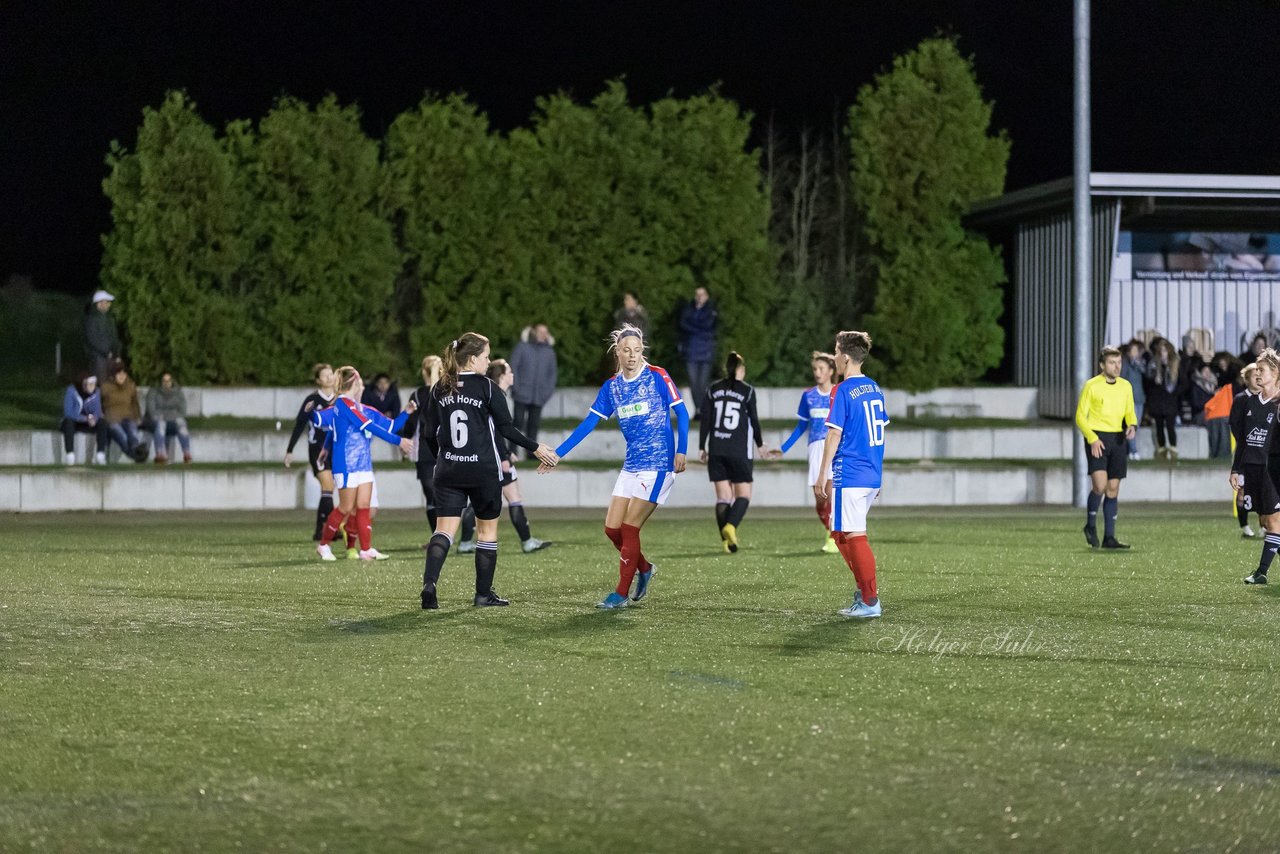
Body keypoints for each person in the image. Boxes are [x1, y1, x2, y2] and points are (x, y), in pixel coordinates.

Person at [547, 323, 689, 609]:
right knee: (612, 530)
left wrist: (682, 450)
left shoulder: (657, 376)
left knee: (629, 528)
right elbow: (589, 423)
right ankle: (645, 568)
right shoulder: (612, 388)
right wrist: (558, 453)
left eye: (637, 350)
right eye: (627, 350)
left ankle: (621, 594)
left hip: (658, 464)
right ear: (618, 353)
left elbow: (682, 413)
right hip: (632, 465)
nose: (633, 355)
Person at [418, 334, 559, 609]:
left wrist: (442, 459)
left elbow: (427, 433)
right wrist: (536, 447)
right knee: (487, 532)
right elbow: (506, 429)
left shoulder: (439, 388)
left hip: (449, 470)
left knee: (444, 530)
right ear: (472, 359)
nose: (488, 361)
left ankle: (430, 583)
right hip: (482, 470)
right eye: (486, 356)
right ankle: (483, 595)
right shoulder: (488, 387)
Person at [816, 330, 889, 619]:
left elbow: (833, 434)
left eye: (835, 352)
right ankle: (864, 592)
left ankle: (870, 600)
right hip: (869, 473)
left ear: (845, 357)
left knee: (854, 535)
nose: (834, 357)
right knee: (840, 533)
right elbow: (880, 434)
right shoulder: (875, 388)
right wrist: (878, 473)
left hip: (850, 472)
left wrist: (823, 474)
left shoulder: (843, 390)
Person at [312, 367, 415, 561]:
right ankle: (323, 545)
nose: (363, 385)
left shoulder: (361, 407)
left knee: (364, 506)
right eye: (360, 381)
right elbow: (367, 426)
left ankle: (366, 549)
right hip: (346, 465)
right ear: (355, 383)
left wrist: (406, 413)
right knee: (344, 507)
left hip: (363, 464)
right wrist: (398, 441)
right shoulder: (343, 405)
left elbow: (390, 425)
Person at [453, 359, 552, 554]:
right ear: (501, 376)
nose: (513, 374)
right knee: (513, 498)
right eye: (509, 371)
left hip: (487, 456)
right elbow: (497, 430)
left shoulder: (487, 392)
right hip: (495, 459)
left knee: (480, 500)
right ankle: (527, 541)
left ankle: (465, 542)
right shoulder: (492, 393)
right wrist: (505, 455)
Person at [699, 351, 771, 553]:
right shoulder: (747, 391)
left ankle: (726, 542)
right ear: (740, 370)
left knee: (723, 498)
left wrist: (701, 447)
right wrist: (760, 444)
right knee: (744, 495)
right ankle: (730, 526)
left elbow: (705, 419)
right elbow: (754, 421)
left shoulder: (712, 389)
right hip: (739, 449)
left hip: (716, 448)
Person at [1076, 346, 1138, 550]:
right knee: (1100, 485)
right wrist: (1092, 438)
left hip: (1117, 438)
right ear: (1102, 365)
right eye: (1112, 363)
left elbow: (1130, 411)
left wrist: (1131, 425)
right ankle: (1090, 525)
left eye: (1119, 362)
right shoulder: (1092, 386)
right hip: (1098, 437)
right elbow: (1079, 417)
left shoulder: (1125, 386)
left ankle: (1109, 537)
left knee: (1113, 488)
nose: (1117, 366)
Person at [779, 351, 840, 553]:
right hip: (815, 449)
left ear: (831, 371)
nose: (817, 372)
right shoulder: (808, 395)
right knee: (820, 500)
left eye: (821, 368)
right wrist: (783, 449)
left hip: (835, 447)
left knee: (831, 495)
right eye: (815, 369)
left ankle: (832, 537)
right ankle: (830, 530)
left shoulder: (838, 393)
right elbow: (801, 426)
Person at [1230, 350, 1280, 584]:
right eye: (1256, 371)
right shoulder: (1249, 402)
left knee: (1272, 522)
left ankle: (1261, 572)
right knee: (1263, 521)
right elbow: (1242, 439)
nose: (1257, 374)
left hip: (1272, 468)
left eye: (1262, 370)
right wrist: (1235, 469)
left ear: (1275, 373)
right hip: (1252, 468)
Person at [286, 363, 339, 541]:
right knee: (327, 485)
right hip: (317, 449)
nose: (329, 377)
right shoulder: (312, 400)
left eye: (331, 374)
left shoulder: (340, 399)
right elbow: (300, 424)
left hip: (335, 448)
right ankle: (332, 529)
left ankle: (319, 530)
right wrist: (290, 450)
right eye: (325, 375)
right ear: (318, 380)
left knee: (328, 489)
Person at [404, 355, 443, 533]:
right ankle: (443, 536)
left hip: (426, 449)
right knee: (438, 494)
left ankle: (439, 536)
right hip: (444, 447)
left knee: (431, 494)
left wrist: (404, 441)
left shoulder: (420, 394)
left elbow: (411, 423)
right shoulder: (444, 390)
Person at [509, 323, 558, 452]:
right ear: (534, 332)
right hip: (521, 394)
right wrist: (516, 388)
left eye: (545, 332)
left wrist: (546, 392)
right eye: (540, 331)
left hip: (539, 396)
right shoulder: (522, 347)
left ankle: (531, 453)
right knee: (517, 423)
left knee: (533, 425)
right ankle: (512, 451)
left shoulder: (549, 352)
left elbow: (552, 374)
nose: (543, 334)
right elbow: (513, 367)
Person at [678, 286, 717, 418]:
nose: (699, 297)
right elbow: (683, 324)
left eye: (702, 294)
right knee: (694, 384)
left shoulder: (711, 310)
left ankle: (704, 409)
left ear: (707, 296)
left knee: (702, 383)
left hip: (706, 352)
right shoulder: (689, 309)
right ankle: (699, 409)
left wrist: (693, 327)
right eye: (697, 294)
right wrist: (698, 329)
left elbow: (709, 326)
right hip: (691, 352)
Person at [1232, 363, 1260, 538]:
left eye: (1260, 375)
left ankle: (1265, 524)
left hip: (1262, 452)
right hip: (1245, 453)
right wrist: (1245, 442)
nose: (1257, 379)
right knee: (1242, 490)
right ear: (1246, 379)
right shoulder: (1241, 399)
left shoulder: (1268, 398)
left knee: (1262, 490)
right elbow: (1235, 425)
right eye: (1254, 376)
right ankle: (1244, 526)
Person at [101, 360, 147, 462]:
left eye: (123, 373)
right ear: (113, 375)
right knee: (122, 435)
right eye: (119, 373)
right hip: (112, 418)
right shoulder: (105, 387)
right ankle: (136, 454)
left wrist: (138, 417)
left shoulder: (131, 385)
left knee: (132, 431)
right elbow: (99, 403)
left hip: (128, 416)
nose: (121, 376)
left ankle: (136, 449)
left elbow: (135, 404)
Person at [1144, 337, 1181, 461]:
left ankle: (1173, 448)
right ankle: (1161, 450)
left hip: (1169, 400)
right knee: (1159, 425)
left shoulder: (1175, 364)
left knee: (1170, 425)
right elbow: (1147, 379)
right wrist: (1154, 379)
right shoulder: (1154, 364)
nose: (1163, 353)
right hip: (1157, 400)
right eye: (1161, 351)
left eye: (1165, 351)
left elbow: (1180, 383)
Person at [60, 373, 109, 465]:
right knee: (68, 422)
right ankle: (70, 455)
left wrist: (93, 418)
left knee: (102, 422)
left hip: (88, 422)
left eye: (94, 384)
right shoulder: (71, 391)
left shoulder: (96, 392)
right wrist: (85, 418)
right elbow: (68, 413)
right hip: (74, 421)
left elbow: (97, 410)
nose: (92, 387)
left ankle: (100, 454)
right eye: (90, 384)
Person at [145, 372, 192, 464]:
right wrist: (165, 416)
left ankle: (187, 453)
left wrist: (169, 416)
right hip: (158, 419)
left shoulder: (178, 392)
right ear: (161, 382)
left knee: (181, 423)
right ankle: (160, 453)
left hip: (173, 420)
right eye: (164, 381)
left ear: (172, 381)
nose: (166, 383)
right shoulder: (153, 392)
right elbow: (151, 410)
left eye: (168, 380)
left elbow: (182, 411)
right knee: (160, 424)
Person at [84, 289, 121, 381]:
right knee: (101, 384)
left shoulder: (109, 318)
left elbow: (114, 337)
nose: (109, 304)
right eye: (106, 302)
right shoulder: (92, 319)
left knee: (111, 384)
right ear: (99, 303)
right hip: (98, 359)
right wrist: (106, 352)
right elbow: (93, 339)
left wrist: (116, 355)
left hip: (110, 358)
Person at [1120, 339, 1147, 460]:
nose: (1135, 353)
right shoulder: (1125, 364)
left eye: (1137, 351)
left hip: (1139, 398)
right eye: (1133, 350)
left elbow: (1146, 373)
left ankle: (1130, 450)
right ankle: (1133, 450)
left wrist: (1137, 363)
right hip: (1129, 399)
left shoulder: (1140, 364)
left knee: (1137, 426)